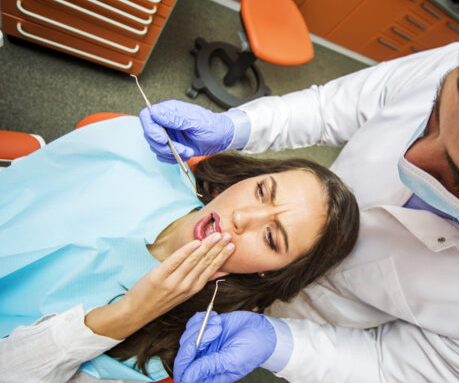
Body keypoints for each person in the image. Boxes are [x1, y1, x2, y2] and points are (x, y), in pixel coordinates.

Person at [138, 0, 459, 382]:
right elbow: (330, 108)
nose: (410, 156)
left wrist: (281, 345)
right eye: (433, 117)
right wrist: (238, 128)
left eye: (458, 182)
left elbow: (386, 367)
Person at [0, 116, 360, 382]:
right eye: (261, 191)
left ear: (271, 272)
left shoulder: (163, 349)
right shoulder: (137, 153)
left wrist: (129, 314)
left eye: (270, 237)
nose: (242, 217)